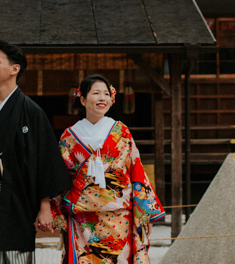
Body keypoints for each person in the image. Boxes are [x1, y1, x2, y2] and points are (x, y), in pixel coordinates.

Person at [0, 40, 71, 264]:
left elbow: (43, 161)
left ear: (14, 69)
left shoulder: (32, 112)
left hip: (14, 203)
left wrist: (44, 206)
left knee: (12, 255)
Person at [54, 74, 165, 264]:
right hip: (83, 219)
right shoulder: (69, 137)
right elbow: (60, 177)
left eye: (106, 93)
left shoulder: (121, 132)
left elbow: (136, 170)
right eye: (96, 93)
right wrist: (54, 210)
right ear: (82, 99)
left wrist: (144, 214)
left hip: (120, 216)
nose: (102, 98)